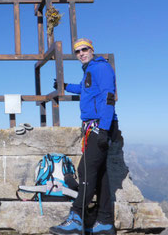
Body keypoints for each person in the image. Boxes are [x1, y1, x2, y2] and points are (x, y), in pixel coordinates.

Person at [49, 38, 118, 235]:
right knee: (102, 175)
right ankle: (105, 222)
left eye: (84, 49)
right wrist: (66, 85)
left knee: (85, 170)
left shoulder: (100, 68)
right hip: (97, 126)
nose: (81, 53)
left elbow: (108, 96)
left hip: (98, 126)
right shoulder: (89, 70)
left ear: (92, 50)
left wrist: (103, 129)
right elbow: (85, 89)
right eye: (78, 51)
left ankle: (76, 218)